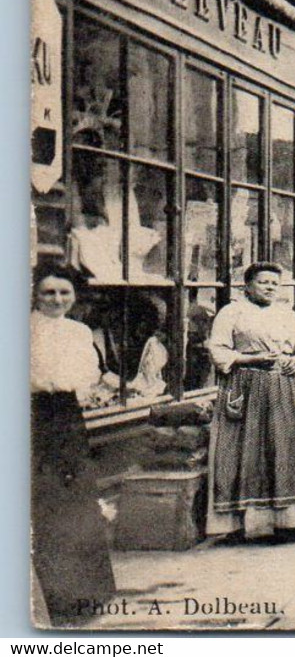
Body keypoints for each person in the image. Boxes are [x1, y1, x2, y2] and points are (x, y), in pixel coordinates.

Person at [206, 262, 295, 543]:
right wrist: (250, 359)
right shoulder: (231, 313)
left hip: (284, 387)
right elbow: (217, 349)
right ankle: (237, 526)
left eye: (275, 283)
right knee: (240, 453)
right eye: (263, 282)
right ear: (247, 285)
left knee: (286, 451)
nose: (270, 287)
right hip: (245, 387)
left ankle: (288, 523)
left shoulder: (287, 314)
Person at [30, 265, 115, 624]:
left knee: (76, 498)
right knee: (43, 497)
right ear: (35, 294)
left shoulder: (79, 332)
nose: (57, 300)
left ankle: (88, 593)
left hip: (66, 416)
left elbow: (87, 375)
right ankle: (52, 598)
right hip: (30, 415)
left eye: (64, 292)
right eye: (49, 292)